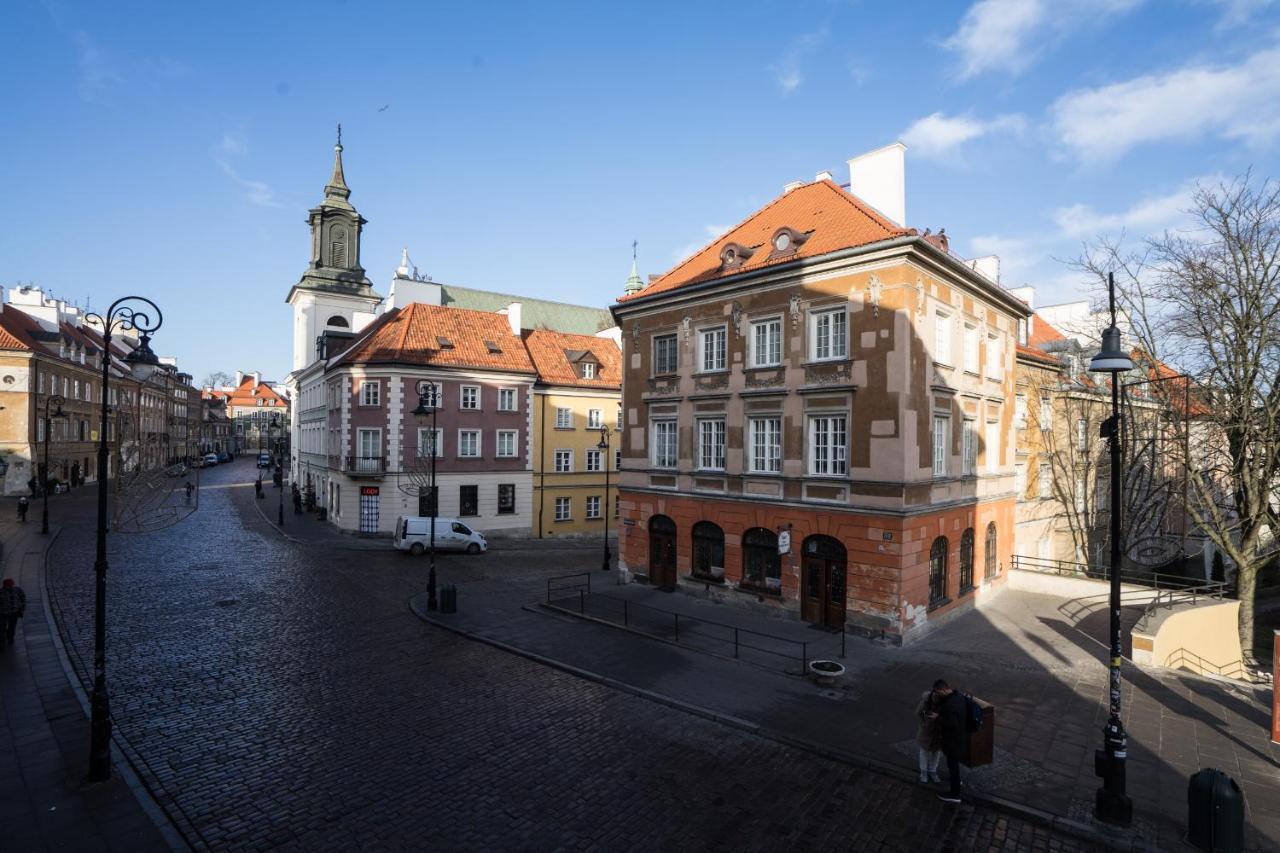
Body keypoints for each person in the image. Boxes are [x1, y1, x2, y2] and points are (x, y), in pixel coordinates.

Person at [931, 679, 969, 803]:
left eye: (937, 692)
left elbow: (952, 724)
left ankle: (954, 794)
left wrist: (938, 718)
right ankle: (956, 782)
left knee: (952, 765)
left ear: (942, 689)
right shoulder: (958, 696)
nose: (937, 695)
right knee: (954, 764)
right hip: (961, 738)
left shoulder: (950, 705)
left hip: (953, 741)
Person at [915, 686, 943, 784]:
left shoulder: (945, 702)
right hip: (926, 731)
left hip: (938, 732)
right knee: (924, 751)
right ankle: (923, 772)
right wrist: (924, 724)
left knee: (936, 752)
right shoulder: (926, 701)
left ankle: (932, 771)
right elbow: (918, 713)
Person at [0, 578, 26, 652]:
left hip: (14, 612)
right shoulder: (1, 592)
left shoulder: (17, 590)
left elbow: (23, 598)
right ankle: (2, 643)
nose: (9, 587)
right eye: (8, 586)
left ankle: (10, 638)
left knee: (12, 626)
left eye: (10, 585)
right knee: (2, 628)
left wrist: (22, 607)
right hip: (3, 613)